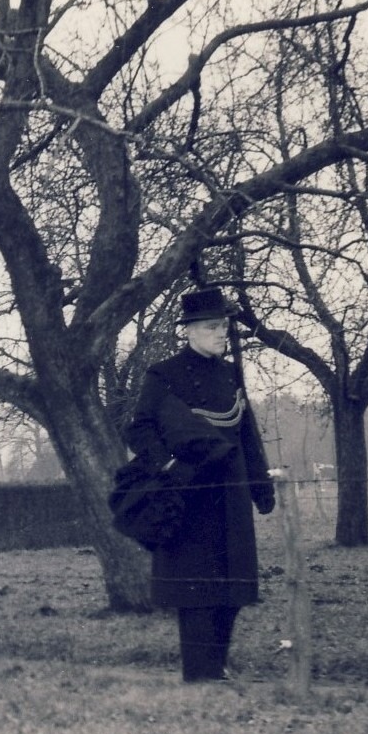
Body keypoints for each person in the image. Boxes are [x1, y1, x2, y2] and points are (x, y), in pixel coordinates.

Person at [124, 287, 275, 684]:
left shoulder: (231, 374)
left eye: (224, 326)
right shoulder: (164, 375)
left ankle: (217, 668)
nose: (221, 334)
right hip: (189, 497)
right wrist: (169, 465)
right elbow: (138, 429)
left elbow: (246, 434)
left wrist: (260, 485)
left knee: (233, 590)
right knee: (196, 594)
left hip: (233, 493)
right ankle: (199, 675)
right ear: (189, 331)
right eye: (212, 327)